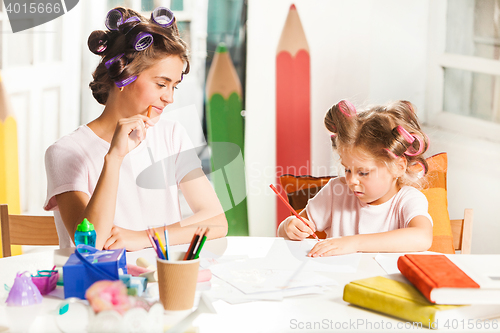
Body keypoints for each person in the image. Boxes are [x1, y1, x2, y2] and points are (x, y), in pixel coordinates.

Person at [44, 7, 227, 251]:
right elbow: (91, 246)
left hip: (160, 280)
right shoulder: (66, 152)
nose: (169, 98)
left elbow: (215, 221)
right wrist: (115, 157)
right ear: (124, 76)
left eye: (174, 87)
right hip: (100, 285)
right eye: (161, 84)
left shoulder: (171, 135)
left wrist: (145, 236)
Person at [277, 100, 433, 256]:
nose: (351, 180)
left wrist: (354, 243)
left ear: (398, 167)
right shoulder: (336, 191)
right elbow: (286, 231)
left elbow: (422, 237)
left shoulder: (408, 199)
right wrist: (288, 227)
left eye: (363, 173)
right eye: (347, 169)